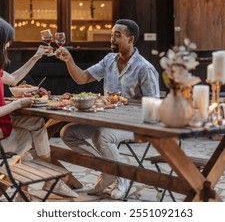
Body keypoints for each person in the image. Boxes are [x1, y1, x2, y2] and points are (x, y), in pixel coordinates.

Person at [0, 16, 78, 200]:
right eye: (7, 40)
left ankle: (41, 185)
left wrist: (36, 57)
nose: (8, 45)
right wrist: (19, 103)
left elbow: (13, 79)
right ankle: (47, 180)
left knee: (36, 122)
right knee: (31, 138)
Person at [55, 19, 160, 200]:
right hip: (107, 119)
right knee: (68, 132)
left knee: (102, 136)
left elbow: (154, 108)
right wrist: (69, 60)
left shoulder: (144, 68)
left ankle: (122, 178)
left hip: (135, 124)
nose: (112, 39)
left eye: (117, 35)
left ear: (130, 39)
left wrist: (122, 101)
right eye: (112, 35)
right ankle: (108, 171)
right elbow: (81, 78)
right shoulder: (109, 60)